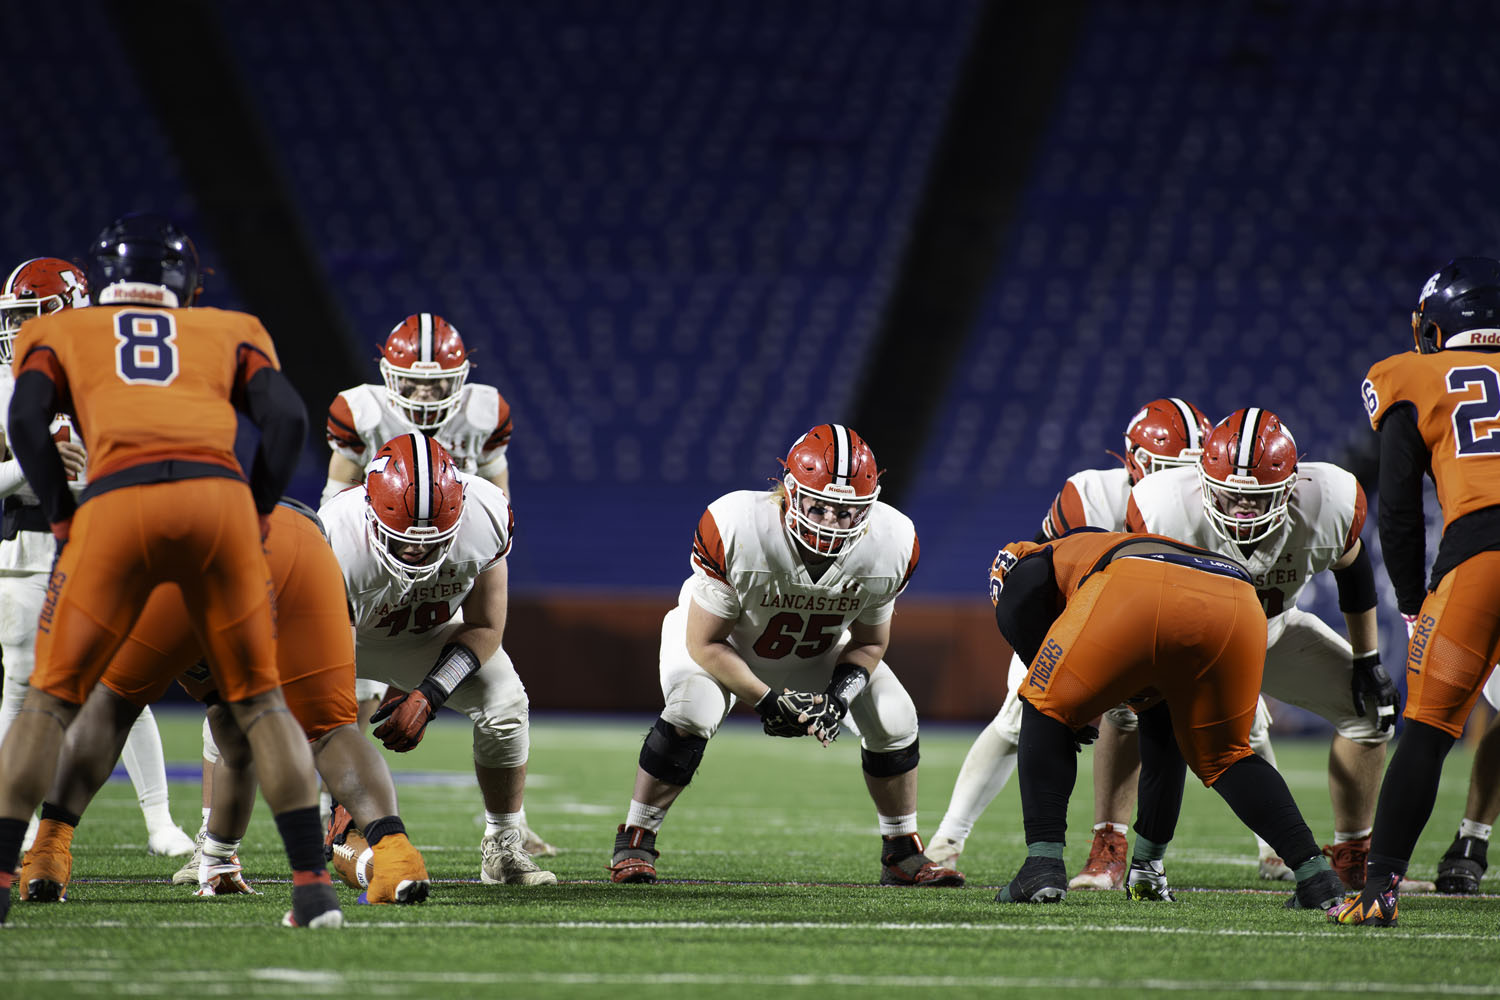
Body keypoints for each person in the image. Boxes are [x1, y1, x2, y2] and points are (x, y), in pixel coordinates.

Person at [0, 212, 340, 928]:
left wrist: (64, 514)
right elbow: (287, 423)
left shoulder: (58, 331)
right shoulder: (229, 326)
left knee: (49, 701)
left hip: (116, 502)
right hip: (216, 501)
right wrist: (255, 508)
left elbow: (28, 423)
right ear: (186, 281)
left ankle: (6, 874)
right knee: (259, 704)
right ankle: (312, 888)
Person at [928, 398, 1291, 886]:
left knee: (1246, 721)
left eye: (1186, 470)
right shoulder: (1090, 492)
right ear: (1133, 461)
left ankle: (1276, 852)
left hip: (1169, 624)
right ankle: (948, 841)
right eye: (1163, 468)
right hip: (1075, 622)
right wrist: (1055, 669)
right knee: (1020, 715)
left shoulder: (1203, 499)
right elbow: (1038, 569)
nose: (1172, 480)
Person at [19, 499, 430, 905]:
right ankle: (397, 859)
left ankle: (48, 852)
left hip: (190, 542)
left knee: (111, 707)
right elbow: (233, 733)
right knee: (328, 732)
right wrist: (216, 858)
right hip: (302, 543)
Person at [607, 423, 963, 887]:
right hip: (724, 644)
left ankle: (901, 851)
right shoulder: (737, 524)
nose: (832, 523)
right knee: (692, 711)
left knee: (896, 719)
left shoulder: (892, 542)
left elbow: (869, 643)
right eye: (820, 507)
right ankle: (636, 839)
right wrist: (768, 700)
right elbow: (705, 643)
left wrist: (839, 696)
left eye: (847, 512)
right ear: (788, 493)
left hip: (818, 650)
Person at [986, 527, 1346, 911]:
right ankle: (1313, 876)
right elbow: (1157, 726)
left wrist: (1063, 712)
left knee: (1042, 705)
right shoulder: (1090, 550)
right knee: (1226, 755)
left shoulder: (1026, 562)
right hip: (1238, 597)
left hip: (1137, 586)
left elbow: (1019, 607)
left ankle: (1041, 866)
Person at [1123, 407, 1403, 893]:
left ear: (1292, 486)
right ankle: (1122, 853)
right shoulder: (1165, 509)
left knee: (1372, 713)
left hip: (1273, 631)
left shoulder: (1328, 501)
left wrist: (1368, 661)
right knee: (1142, 720)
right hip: (1197, 644)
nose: (1241, 511)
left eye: (1258, 498)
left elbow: (1353, 572)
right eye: (1229, 497)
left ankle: (1353, 855)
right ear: (1202, 482)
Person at [320, 314, 552, 854]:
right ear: (388, 374)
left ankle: (505, 835)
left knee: (503, 699)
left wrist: (429, 689)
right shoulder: (358, 428)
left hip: (443, 570)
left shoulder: (485, 457)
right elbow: (336, 499)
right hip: (366, 572)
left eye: (437, 381)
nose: (425, 392)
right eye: (413, 380)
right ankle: (328, 809)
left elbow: (497, 509)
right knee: (334, 697)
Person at [0, 258, 194, 859]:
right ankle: (21, 820)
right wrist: (34, 464)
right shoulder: (6, 384)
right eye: (11, 319)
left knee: (123, 681)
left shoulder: (110, 373)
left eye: (25, 317)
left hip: (103, 539)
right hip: (26, 549)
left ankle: (159, 819)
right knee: (20, 678)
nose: (13, 332)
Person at [1331, 258, 1500, 926]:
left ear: (1436, 326)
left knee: (1428, 731)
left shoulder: (1411, 372)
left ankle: (1378, 891)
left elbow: (1398, 509)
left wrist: (1411, 600)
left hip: (1481, 555)